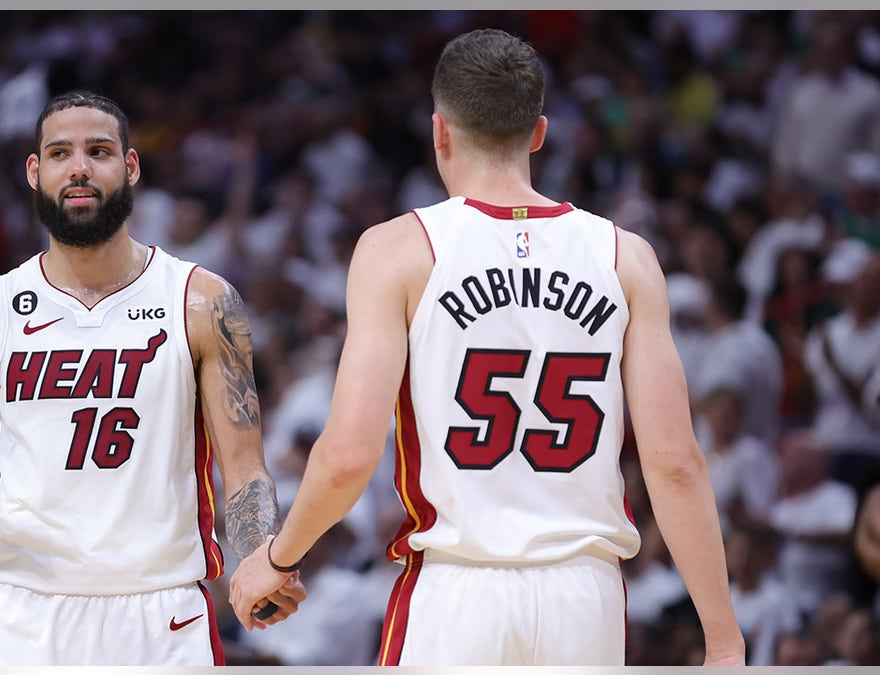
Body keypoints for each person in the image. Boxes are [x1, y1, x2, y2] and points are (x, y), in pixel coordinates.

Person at [229, 28, 745, 666]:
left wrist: (278, 558)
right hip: (586, 599)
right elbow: (674, 462)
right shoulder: (626, 257)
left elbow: (347, 456)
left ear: (439, 130)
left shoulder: (399, 249)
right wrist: (722, 637)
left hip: (457, 589)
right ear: (538, 133)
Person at [0, 89, 304, 666]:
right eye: (60, 153)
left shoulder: (202, 301)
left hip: (160, 612)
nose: (79, 168)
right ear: (34, 171)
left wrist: (256, 558)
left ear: (131, 166)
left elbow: (244, 470)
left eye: (98, 151)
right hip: (23, 615)